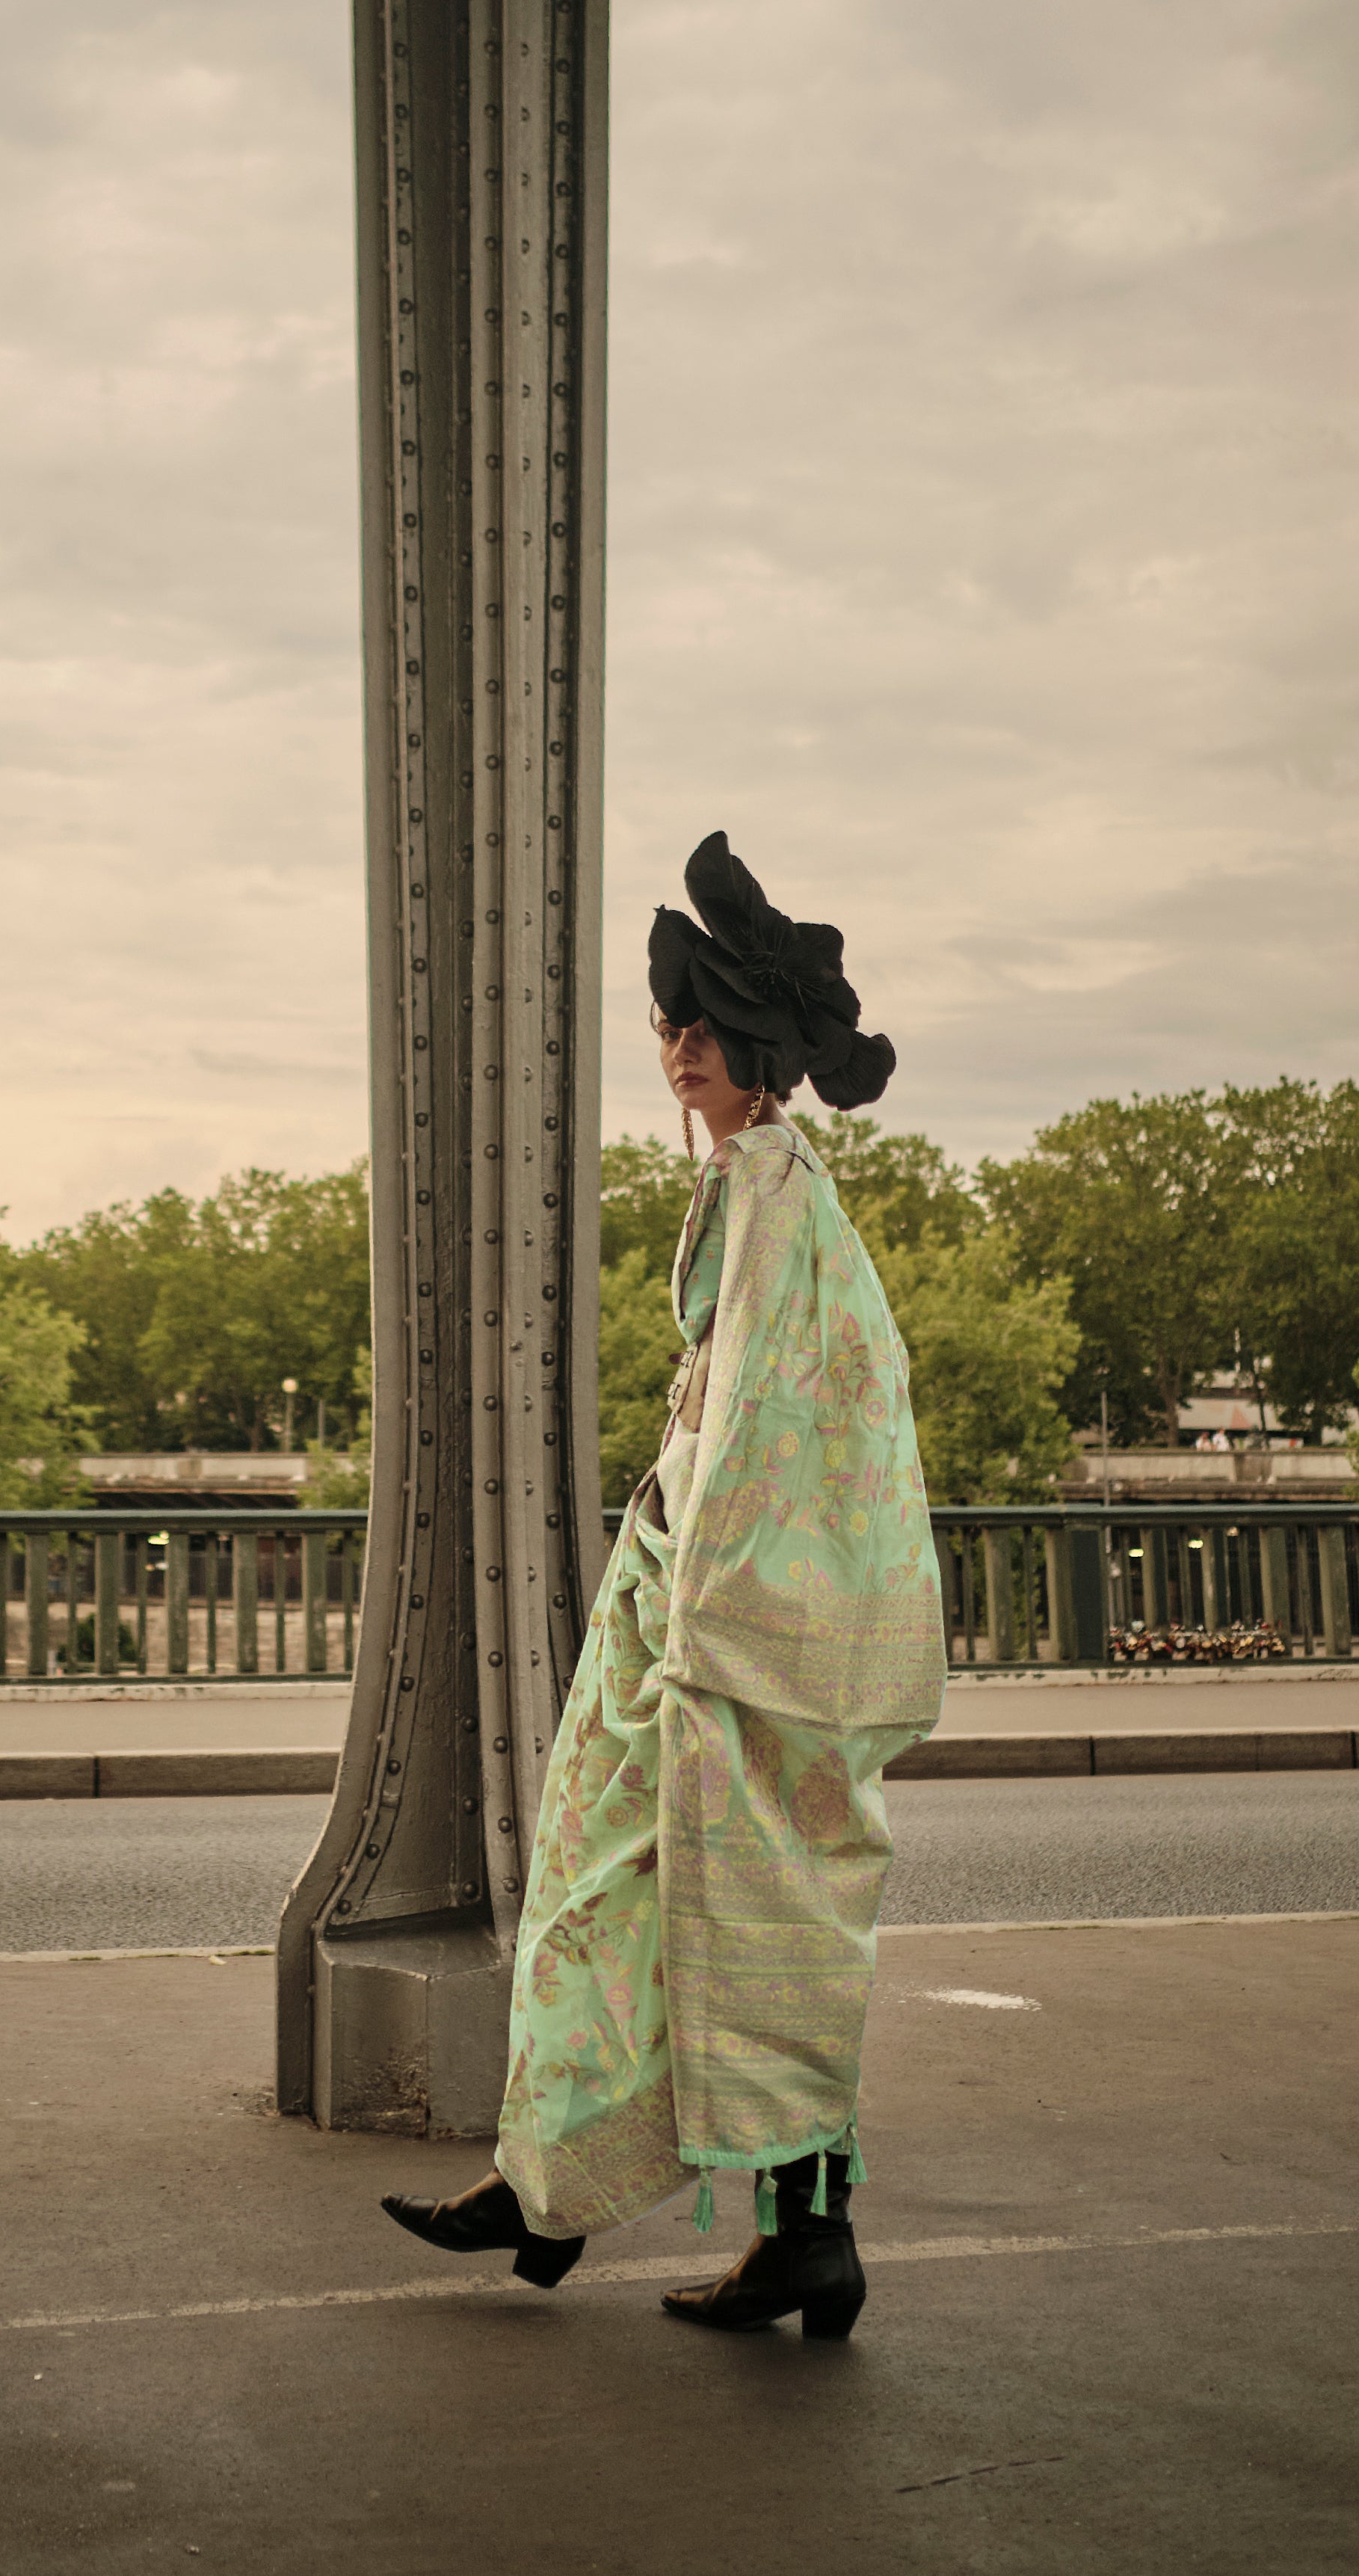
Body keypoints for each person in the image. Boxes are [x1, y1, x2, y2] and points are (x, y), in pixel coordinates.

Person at [380, 833, 945, 2338]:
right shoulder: (763, 1193)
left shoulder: (774, 1198)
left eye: (698, 1026)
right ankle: (578, 2188)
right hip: (712, 1616)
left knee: (687, 1913)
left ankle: (670, 2211)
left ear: (756, 1047)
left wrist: (692, 1604)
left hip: (726, 1635)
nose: (676, 1048)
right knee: (693, 1915)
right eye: (668, 1025)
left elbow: (765, 1434)